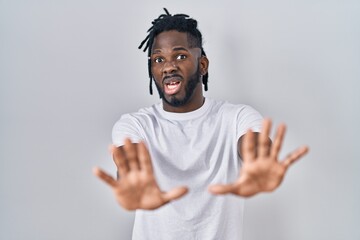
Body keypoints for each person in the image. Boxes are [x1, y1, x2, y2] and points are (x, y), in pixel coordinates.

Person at [93, 8, 309, 240]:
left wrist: (261, 161)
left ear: (203, 65)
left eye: (180, 56)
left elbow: (254, 147)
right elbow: (129, 163)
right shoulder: (135, 124)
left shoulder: (235, 118)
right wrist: (129, 182)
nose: (168, 67)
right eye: (158, 59)